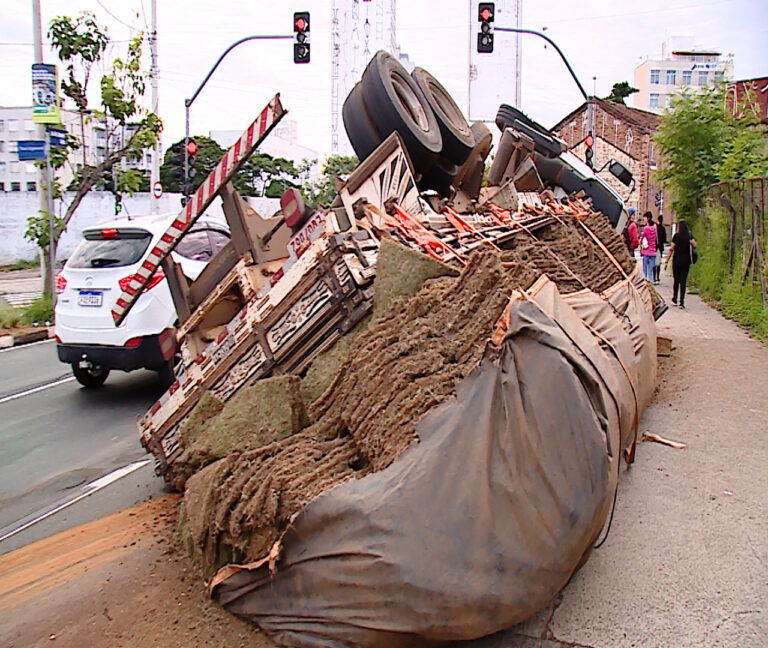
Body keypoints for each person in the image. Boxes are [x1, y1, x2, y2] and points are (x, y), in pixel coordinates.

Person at [664, 219, 696, 308]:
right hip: (686, 261)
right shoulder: (689, 235)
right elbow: (695, 245)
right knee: (683, 281)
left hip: (677, 260)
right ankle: (681, 301)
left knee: (676, 280)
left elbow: (671, 248)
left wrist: (666, 261)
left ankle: (675, 298)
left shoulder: (676, 236)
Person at [639, 211, 657, 282]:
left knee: (645, 270)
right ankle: (651, 281)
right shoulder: (655, 227)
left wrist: (641, 244)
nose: (644, 219)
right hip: (653, 252)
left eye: (645, 217)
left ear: (648, 218)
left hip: (646, 252)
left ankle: (645, 282)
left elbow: (641, 239)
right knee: (650, 271)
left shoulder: (646, 228)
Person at [653, 214, 668, 284]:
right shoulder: (663, 228)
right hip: (660, 247)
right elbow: (665, 239)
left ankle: (653, 277)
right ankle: (658, 277)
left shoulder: (655, 228)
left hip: (654, 246)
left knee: (654, 262)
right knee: (658, 262)